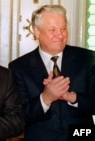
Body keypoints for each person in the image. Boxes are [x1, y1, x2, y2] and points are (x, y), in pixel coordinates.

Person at [8, 5, 95, 141]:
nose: (60, 35)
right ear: (36, 31)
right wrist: (45, 99)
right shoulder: (19, 67)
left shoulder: (88, 58)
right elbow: (18, 116)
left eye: (63, 28)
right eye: (53, 29)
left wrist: (72, 97)